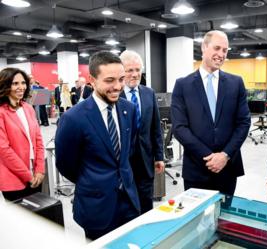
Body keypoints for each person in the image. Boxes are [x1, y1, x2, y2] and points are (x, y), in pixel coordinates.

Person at [55, 51, 140, 240]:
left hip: (129, 203)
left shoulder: (129, 109)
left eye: (121, 79)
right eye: (110, 80)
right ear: (92, 80)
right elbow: (65, 164)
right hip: (96, 207)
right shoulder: (73, 118)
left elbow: (128, 151)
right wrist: (92, 181)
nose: (117, 86)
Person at [171, 30, 251, 197]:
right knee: (197, 220)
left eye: (225, 50)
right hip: (196, 169)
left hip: (227, 168)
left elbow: (243, 123)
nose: (221, 54)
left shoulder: (236, 83)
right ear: (204, 47)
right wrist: (209, 157)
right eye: (217, 48)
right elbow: (180, 128)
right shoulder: (182, 85)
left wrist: (224, 155)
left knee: (224, 220)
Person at [120, 50, 164, 214]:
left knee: (146, 205)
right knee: (127, 206)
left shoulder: (149, 93)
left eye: (138, 70)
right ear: (121, 71)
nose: (135, 74)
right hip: (124, 163)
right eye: (130, 70)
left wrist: (159, 156)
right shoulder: (115, 95)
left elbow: (155, 128)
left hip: (146, 161)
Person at [0, 68, 45, 201]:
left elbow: (38, 140)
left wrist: (40, 170)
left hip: (36, 176)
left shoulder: (28, 108)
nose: (21, 87)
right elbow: (4, 150)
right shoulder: (1, 112)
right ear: (5, 85)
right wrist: (28, 176)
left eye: (23, 83)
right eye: (15, 84)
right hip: (14, 179)